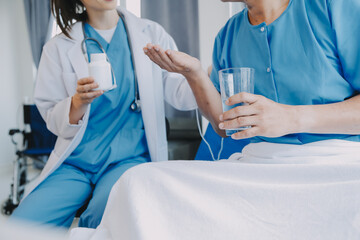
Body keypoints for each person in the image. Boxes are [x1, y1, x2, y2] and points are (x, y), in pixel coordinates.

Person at [67, 0, 360, 239]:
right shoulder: (229, 35)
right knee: (138, 182)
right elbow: (224, 125)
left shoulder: (332, 8)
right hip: (260, 165)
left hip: (334, 163)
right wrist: (194, 73)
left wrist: (291, 117)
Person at [10, 0, 196, 229]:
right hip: (76, 162)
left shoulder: (151, 33)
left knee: (104, 218)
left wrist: (202, 74)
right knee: (22, 225)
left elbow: (180, 92)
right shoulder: (58, 47)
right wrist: (77, 102)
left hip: (128, 159)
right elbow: (51, 116)